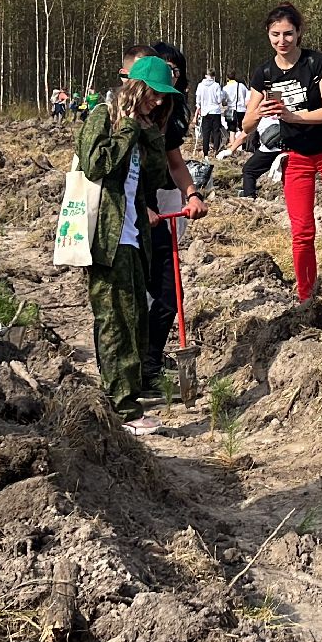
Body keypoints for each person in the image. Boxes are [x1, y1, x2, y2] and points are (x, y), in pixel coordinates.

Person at [75, 54, 176, 435]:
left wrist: (151, 132)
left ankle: (127, 397)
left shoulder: (141, 125)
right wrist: (130, 127)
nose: (159, 101)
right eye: (154, 93)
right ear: (136, 87)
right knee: (115, 319)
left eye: (164, 96)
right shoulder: (104, 115)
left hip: (132, 233)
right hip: (106, 235)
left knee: (134, 318)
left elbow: (155, 177)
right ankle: (123, 409)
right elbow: (96, 163)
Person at [246, 3, 322, 301]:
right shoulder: (265, 74)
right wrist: (260, 111)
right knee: (301, 231)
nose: (282, 40)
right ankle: (306, 298)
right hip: (296, 157)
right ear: (267, 34)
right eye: (275, 34)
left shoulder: (316, 63)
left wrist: (292, 116)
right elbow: (246, 124)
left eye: (288, 33)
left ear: (299, 33)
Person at [142, 41, 209, 390]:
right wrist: (139, 208)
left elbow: (176, 162)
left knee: (169, 293)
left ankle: (150, 363)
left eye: (174, 70)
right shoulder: (120, 121)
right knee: (135, 296)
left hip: (159, 207)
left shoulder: (169, 112)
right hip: (125, 219)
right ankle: (129, 373)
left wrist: (192, 193)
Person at [193, 70, 228, 155]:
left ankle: (205, 152)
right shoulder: (216, 85)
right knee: (216, 131)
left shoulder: (200, 85)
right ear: (214, 76)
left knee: (206, 132)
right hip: (215, 111)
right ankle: (216, 150)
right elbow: (219, 100)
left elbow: (198, 99)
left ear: (206, 75)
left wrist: (199, 107)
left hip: (205, 112)